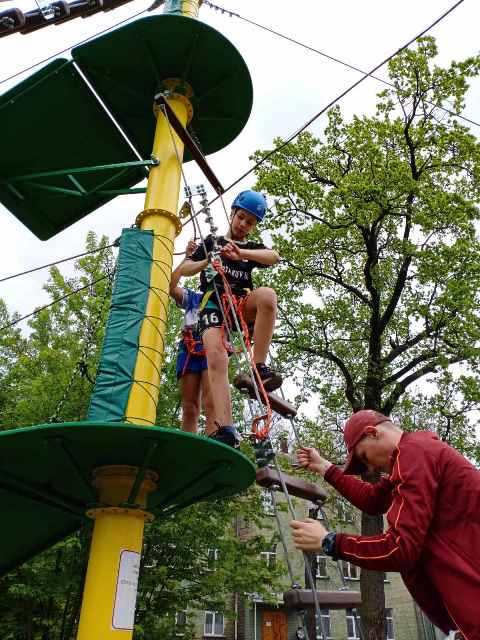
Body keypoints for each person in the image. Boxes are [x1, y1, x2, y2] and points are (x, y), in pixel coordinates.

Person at [290, 410, 480, 639]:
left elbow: (399, 548)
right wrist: (324, 467)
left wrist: (330, 541)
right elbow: (373, 500)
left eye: (364, 457)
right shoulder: (418, 454)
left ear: (373, 433)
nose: (370, 468)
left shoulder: (414, 454)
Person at [180, 189, 282, 447]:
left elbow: (274, 256)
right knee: (216, 355)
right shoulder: (212, 242)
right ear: (233, 213)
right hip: (213, 303)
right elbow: (185, 269)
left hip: (240, 304)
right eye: (241, 217)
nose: (243, 224)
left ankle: (258, 366)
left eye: (250, 222)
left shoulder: (249, 247)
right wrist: (207, 261)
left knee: (268, 295)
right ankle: (225, 427)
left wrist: (242, 254)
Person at [169, 241, 216, 438]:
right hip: (190, 345)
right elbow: (171, 286)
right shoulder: (194, 298)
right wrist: (188, 258)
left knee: (211, 402)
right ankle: (188, 445)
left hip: (212, 345)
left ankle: (215, 439)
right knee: (190, 407)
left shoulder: (224, 300)